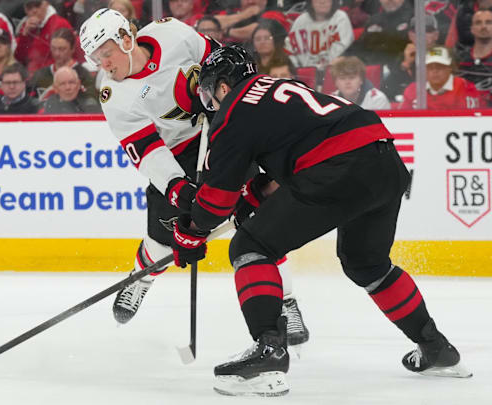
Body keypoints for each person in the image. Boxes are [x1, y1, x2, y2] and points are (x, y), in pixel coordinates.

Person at [170, 45, 471, 396]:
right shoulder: (280, 88)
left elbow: (214, 204)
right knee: (367, 264)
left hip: (339, 168)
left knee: (251, 246)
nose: (212, 104)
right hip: (384, 161)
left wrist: (190, 232)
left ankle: (269, 352)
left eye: (210, 93)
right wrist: (251, 199)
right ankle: (437, 349)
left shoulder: (234, 110)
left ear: (223, 85)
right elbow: (296, 156)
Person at [79, 9, 309, 345]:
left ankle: (286, 302)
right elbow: (146, 149)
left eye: (106, 53)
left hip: (225, 129)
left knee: (258, 222)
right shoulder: (114, 95)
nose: (104, 65)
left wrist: (221, 98)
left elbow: (223, 62)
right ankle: (141, 279)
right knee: (162, 239)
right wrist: (175, 186)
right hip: (178, 154)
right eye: (97, 59)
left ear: (126, 39)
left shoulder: (171, 33)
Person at [455, 9, 492, 106]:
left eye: (488, 22)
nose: (483, 26)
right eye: (478, 23)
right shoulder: (460, 60)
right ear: (472, 29)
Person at [400, 46, 482, 109]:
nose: (435, 71)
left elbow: (469, 122)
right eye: (430, 67)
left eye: (440, 66)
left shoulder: (465, 88)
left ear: (450, 68)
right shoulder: (413, 90)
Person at [15, 0, 81, 75]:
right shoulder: (26, 26)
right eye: (29, 7)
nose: (34, 10)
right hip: (31, 76)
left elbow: (72, 55)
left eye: (37, 5)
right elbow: (20, 58)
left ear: (46, 3)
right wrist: (24, 36)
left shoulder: (60, 24)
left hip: (54, 75)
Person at [30, 28, 96, 101]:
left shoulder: (83, 75)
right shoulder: (41, 75)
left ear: (72, 49)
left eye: (62, 49)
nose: (57, 53)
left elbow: (91, 102)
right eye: (54, 48)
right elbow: (32, 102)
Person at [285, 0, 354, 69]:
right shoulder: (301, 21)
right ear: (310, 2)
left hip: (334, 71)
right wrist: (296, 68)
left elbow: (346, 51)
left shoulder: (341, 18)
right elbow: (289, 50)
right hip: (304, 73)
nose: (322, 2)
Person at [350, 0, 413, 66]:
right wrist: (345, 56)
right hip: (371, 69)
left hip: (401, 70)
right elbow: (360, 47)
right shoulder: (374, 20)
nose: (389, 0)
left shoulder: (414, 19)